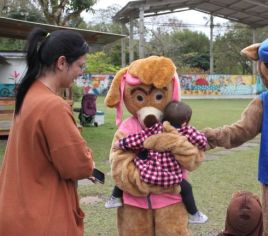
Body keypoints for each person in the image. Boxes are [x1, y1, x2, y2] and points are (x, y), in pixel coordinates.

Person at [0, 27, 94, 236]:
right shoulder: (53, 105)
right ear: (62, 63)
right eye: (80, 65)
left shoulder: (28, 95)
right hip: (43, 220)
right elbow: (78, 166)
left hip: (17, 213)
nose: (81, 72)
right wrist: (90, 162)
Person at [105, 101, 208, 224]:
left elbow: (139, 138)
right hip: (170, 177)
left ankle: (115, 197)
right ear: (185, 122)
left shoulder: (156, 128)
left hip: (148, 172)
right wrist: (198, 140)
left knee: (126, 172)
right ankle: (193, 214)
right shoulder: (186, 131)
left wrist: (121, 143)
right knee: (187, 188)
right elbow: (202, 141)